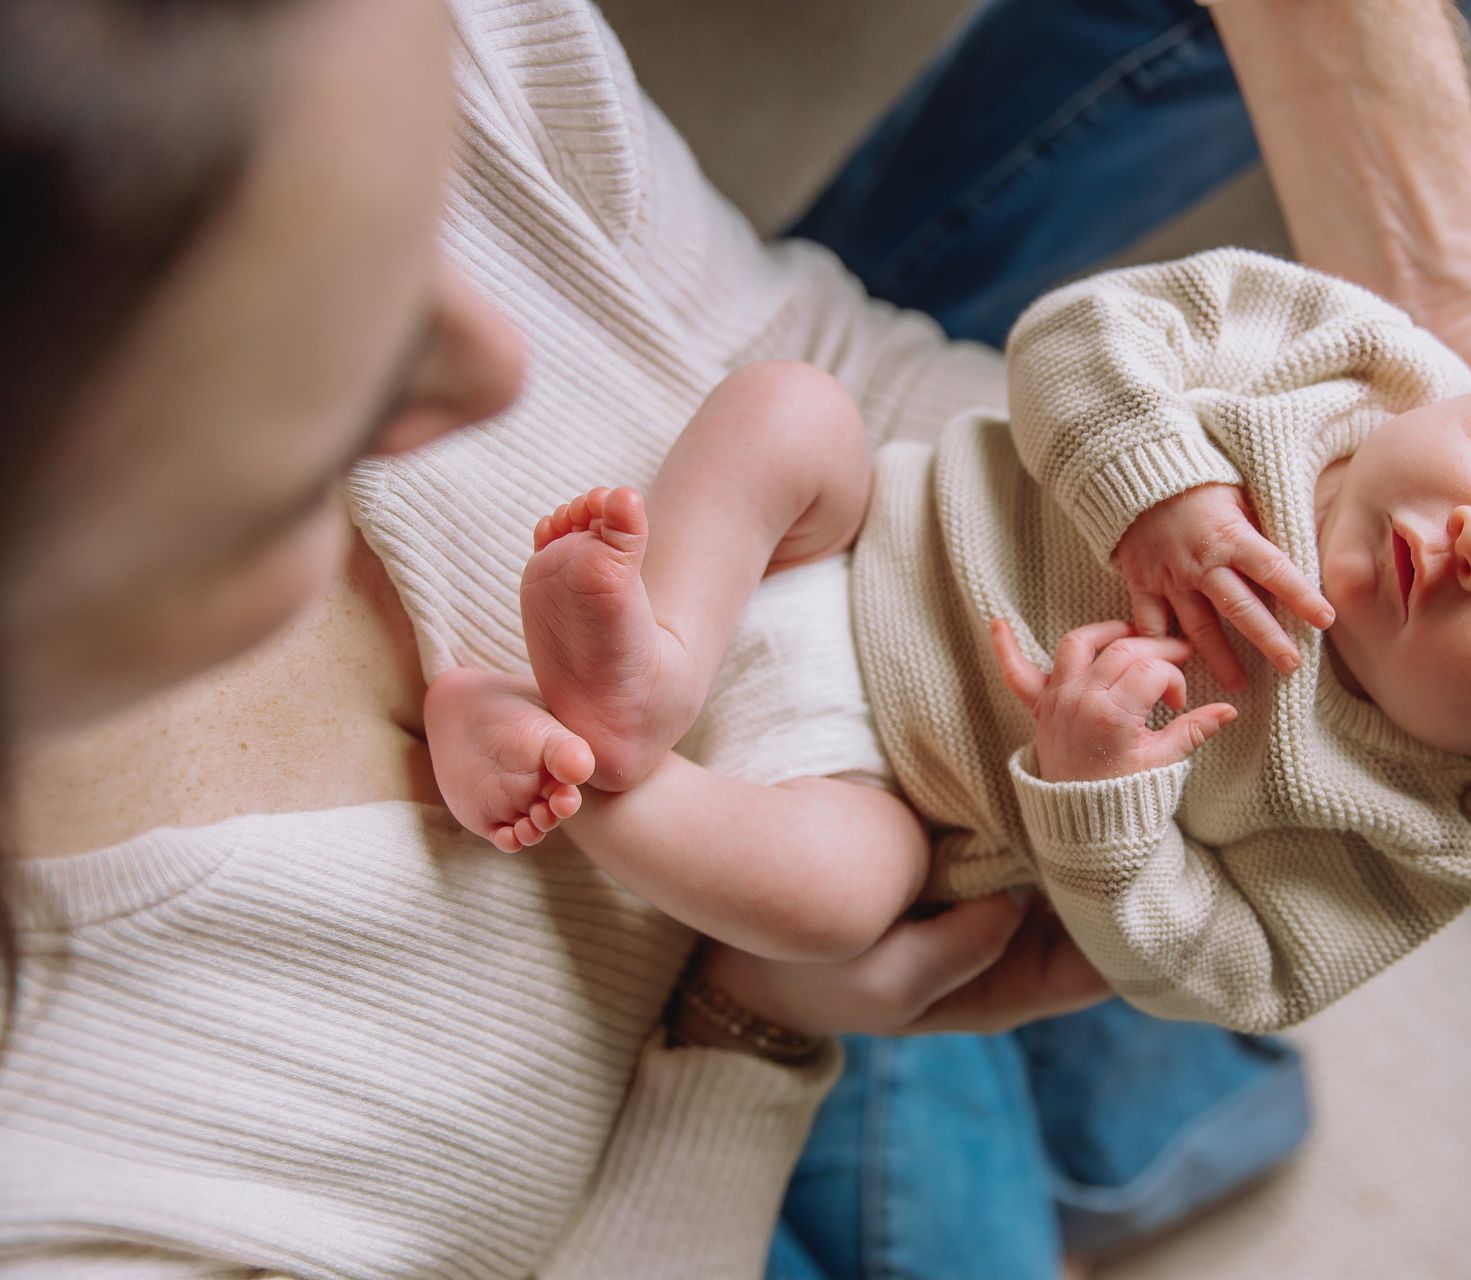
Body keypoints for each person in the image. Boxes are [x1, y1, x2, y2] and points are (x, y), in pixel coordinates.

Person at [0, 1, 1107, 1274]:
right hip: (742, 991)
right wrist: (746, 1034)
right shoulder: (91, 1186)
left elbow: (826, 357)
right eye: (332, 312)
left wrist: (1149, 508)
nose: (500, 366)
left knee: (798, 416)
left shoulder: (387, 33)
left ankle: (665, 689)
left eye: (425, 212)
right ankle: (1118, 1120)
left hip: (849, 646)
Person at [423, 247, 1471, 1031]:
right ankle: (650, 661)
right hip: (862, 531)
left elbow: (1236, 975)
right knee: (793, 411)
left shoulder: (1429, 834)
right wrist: (1152, 484)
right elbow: (1081, 333)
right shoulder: (1338, 357)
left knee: (846, 901)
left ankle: (602, 778)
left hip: (873, 781)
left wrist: (1106, 809)